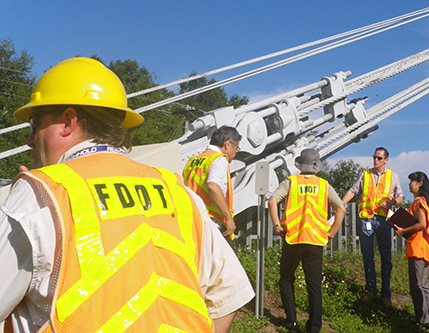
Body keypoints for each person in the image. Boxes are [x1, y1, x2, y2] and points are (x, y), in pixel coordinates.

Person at [0, 57, 254, 333]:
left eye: (34, 123)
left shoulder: (40, 195)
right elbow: (228, 295)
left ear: (68, 121)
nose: (29, 139)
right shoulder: (175, 190)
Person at [268, 148, 346, 333]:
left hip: (293, 238)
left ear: (300, 165)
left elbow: (272, 201)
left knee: (286, 279)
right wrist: (332, 231)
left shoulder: (291, 182)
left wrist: (277, 225)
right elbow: (341, 209)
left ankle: (291, 322)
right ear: (316, 165)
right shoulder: (324, 185)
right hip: (315, 240)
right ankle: (314, 327)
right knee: (314, 284)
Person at [341, 147, 403, 308]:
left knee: (386, 258)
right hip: (366, 219)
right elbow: (353, 191)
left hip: (383, 220)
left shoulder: (393, 176)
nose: (376, 160)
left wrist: (391, 202)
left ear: (386, 160)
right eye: (374, 157)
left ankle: (386, 294)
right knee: (367, 256)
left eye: (379, 158)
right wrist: (340, 204)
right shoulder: (364, 173)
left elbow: (400, 197)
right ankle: (371, 291)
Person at [394, 172, 429, 329]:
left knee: (417, 285)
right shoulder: (421, 201)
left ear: (419, 183)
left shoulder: (418, 202)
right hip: (425, 248)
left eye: (411, 181)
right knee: (424, 284)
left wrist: (402, 230)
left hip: (418, 249)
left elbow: (421, 224)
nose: (409, 184)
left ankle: (423, 319)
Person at [183, 125, 241, 240]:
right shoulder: (219, 159)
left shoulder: (192, 161)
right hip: (212, 224)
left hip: (193, 220)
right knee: (227, 258)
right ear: (228, 144)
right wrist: (228, 217)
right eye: (237, 148)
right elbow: (213, 186)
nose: (235, 153)